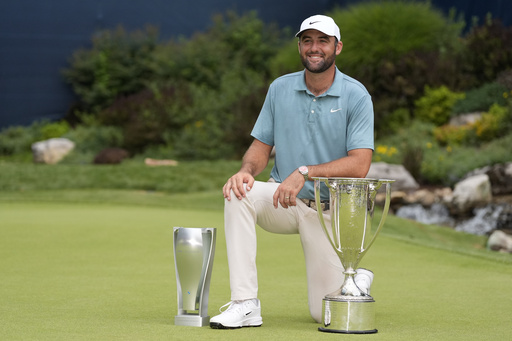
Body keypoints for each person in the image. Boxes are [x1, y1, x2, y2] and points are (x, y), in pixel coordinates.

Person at [209, 14, 375, 329]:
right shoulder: (280, 88)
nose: (314, 48)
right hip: (284, 199)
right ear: (299, 46)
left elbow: (360, 164)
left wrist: (305, 172)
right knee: (238, 193)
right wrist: (246, 170)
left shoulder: (356, 95)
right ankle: (245, 304)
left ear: (337, 47)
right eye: (307, 40)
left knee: (322, 312)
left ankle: (354, 277)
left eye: (322, 41)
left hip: (329, 213)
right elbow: (260, 146)